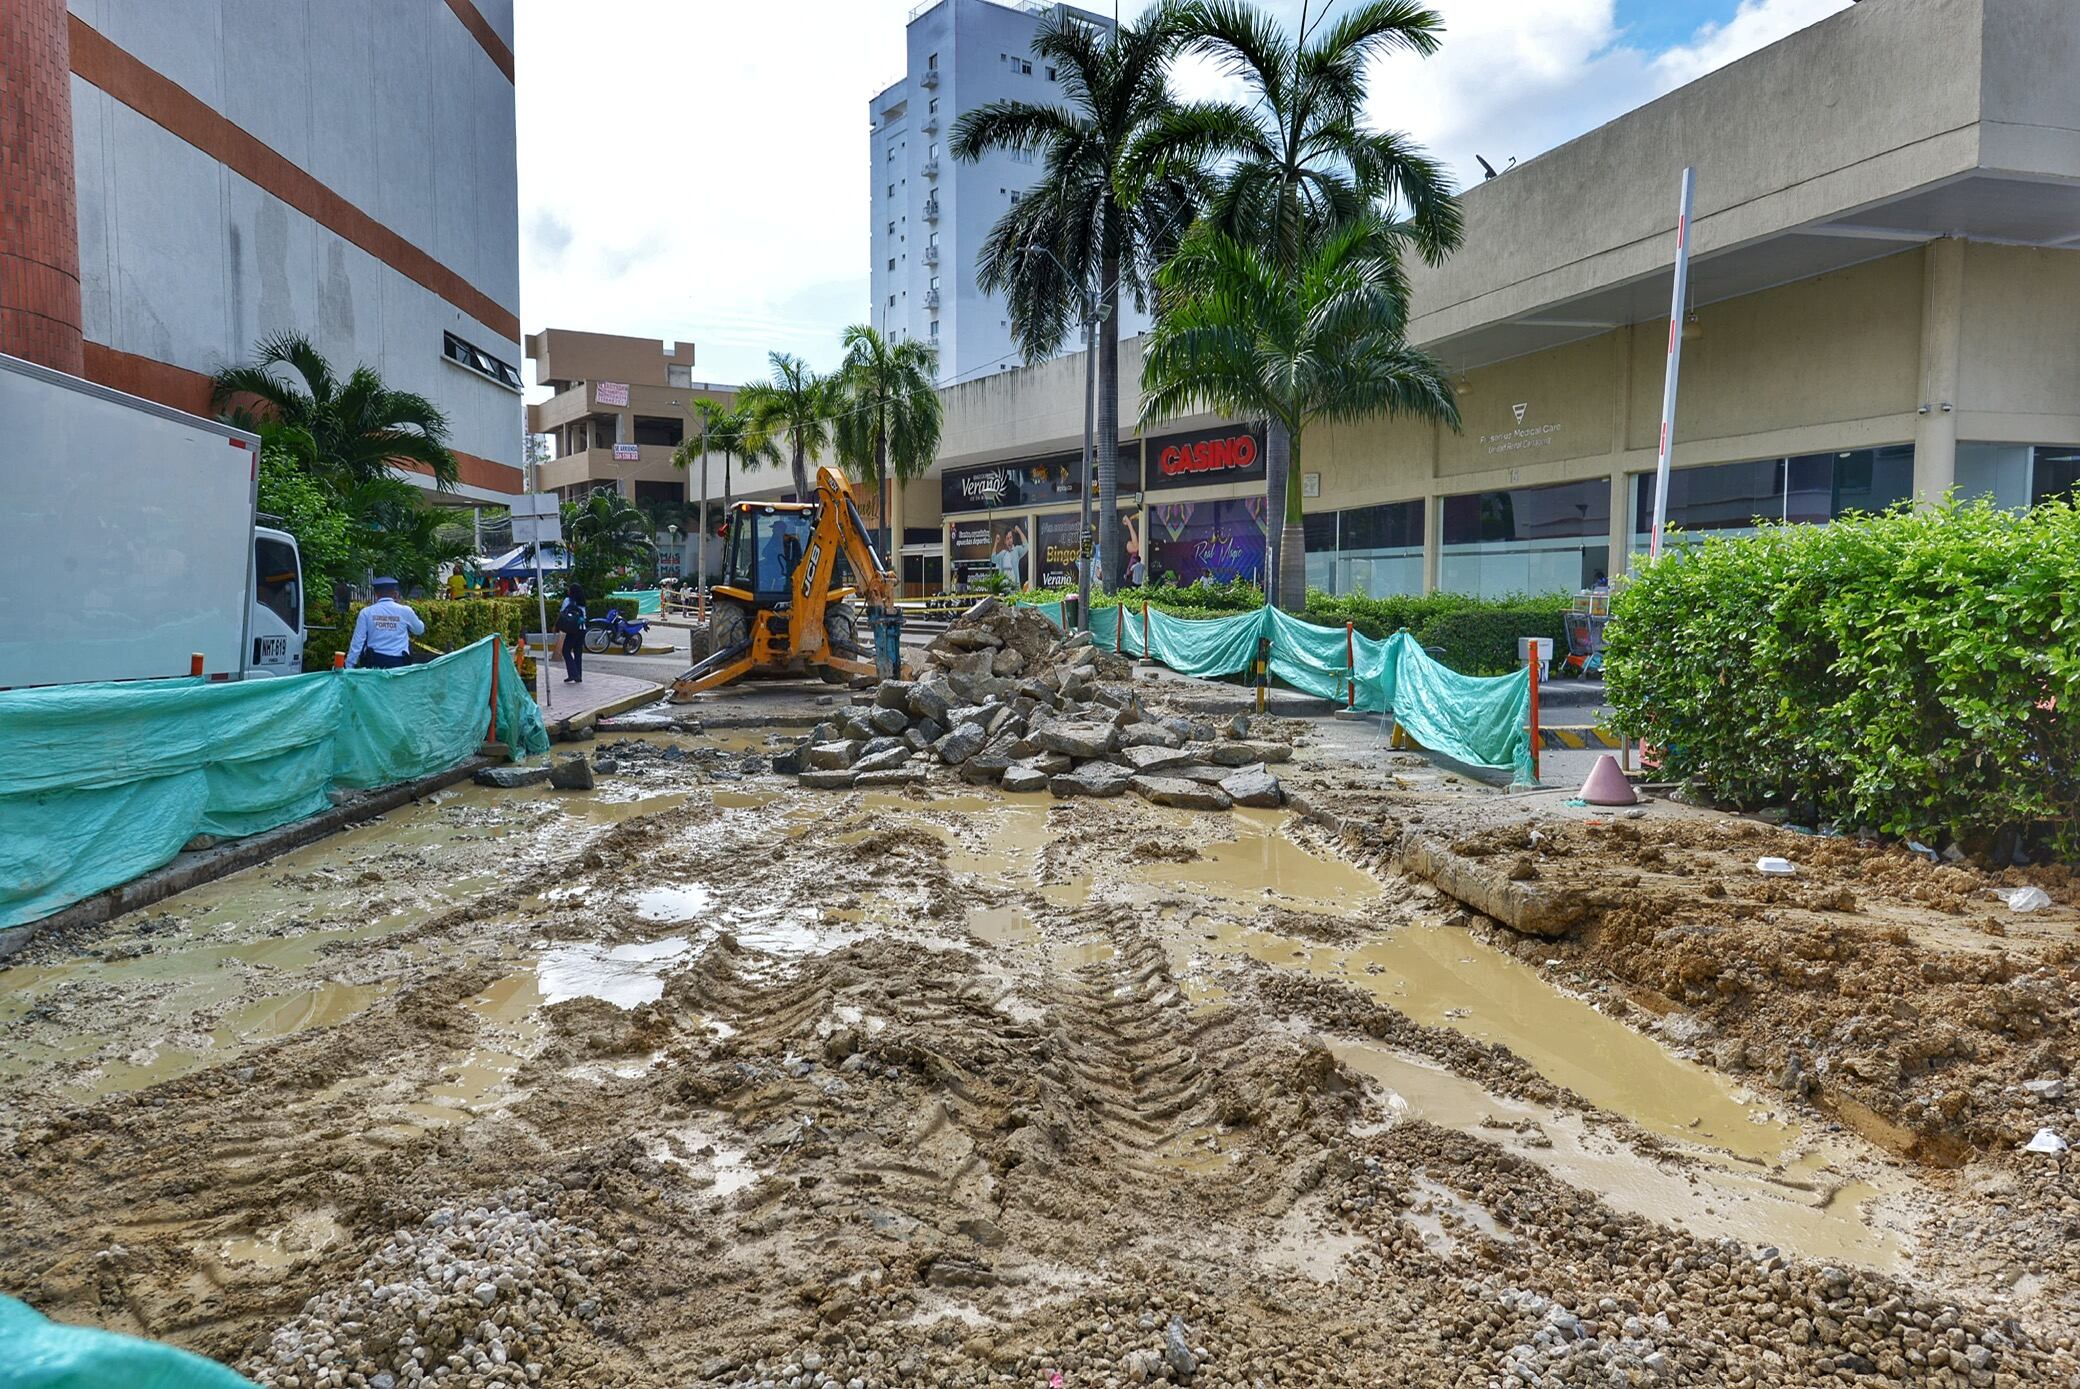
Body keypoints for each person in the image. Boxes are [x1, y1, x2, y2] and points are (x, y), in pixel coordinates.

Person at [344, 579, 424, 669]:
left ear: (376, 593)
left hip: (374, 663)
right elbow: (419, 630)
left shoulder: (366, 612)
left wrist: (349, 665)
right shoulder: (405, 611)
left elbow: (357, 642)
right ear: (394, 592)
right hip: (399, 663)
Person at [555, 583, 588, 684]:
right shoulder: (582, 602)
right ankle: (577, 675)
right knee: (578, 653)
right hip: (582, 629)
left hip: (573, 630)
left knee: (566, 651)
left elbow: (562, 614)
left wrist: (556, 626)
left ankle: (574, 674)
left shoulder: (568, 600)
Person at [991, 524, 1028, 589]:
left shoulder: (1016, 550)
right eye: (1007, 538)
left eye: (1010, 537)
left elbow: (1026, 546)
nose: (1010, 540)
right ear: (1005, 541)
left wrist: (1019, 530)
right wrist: (996, 543)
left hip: (1015, 587)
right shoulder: (1002, 554)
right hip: (1004, 588)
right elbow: (993, 558)